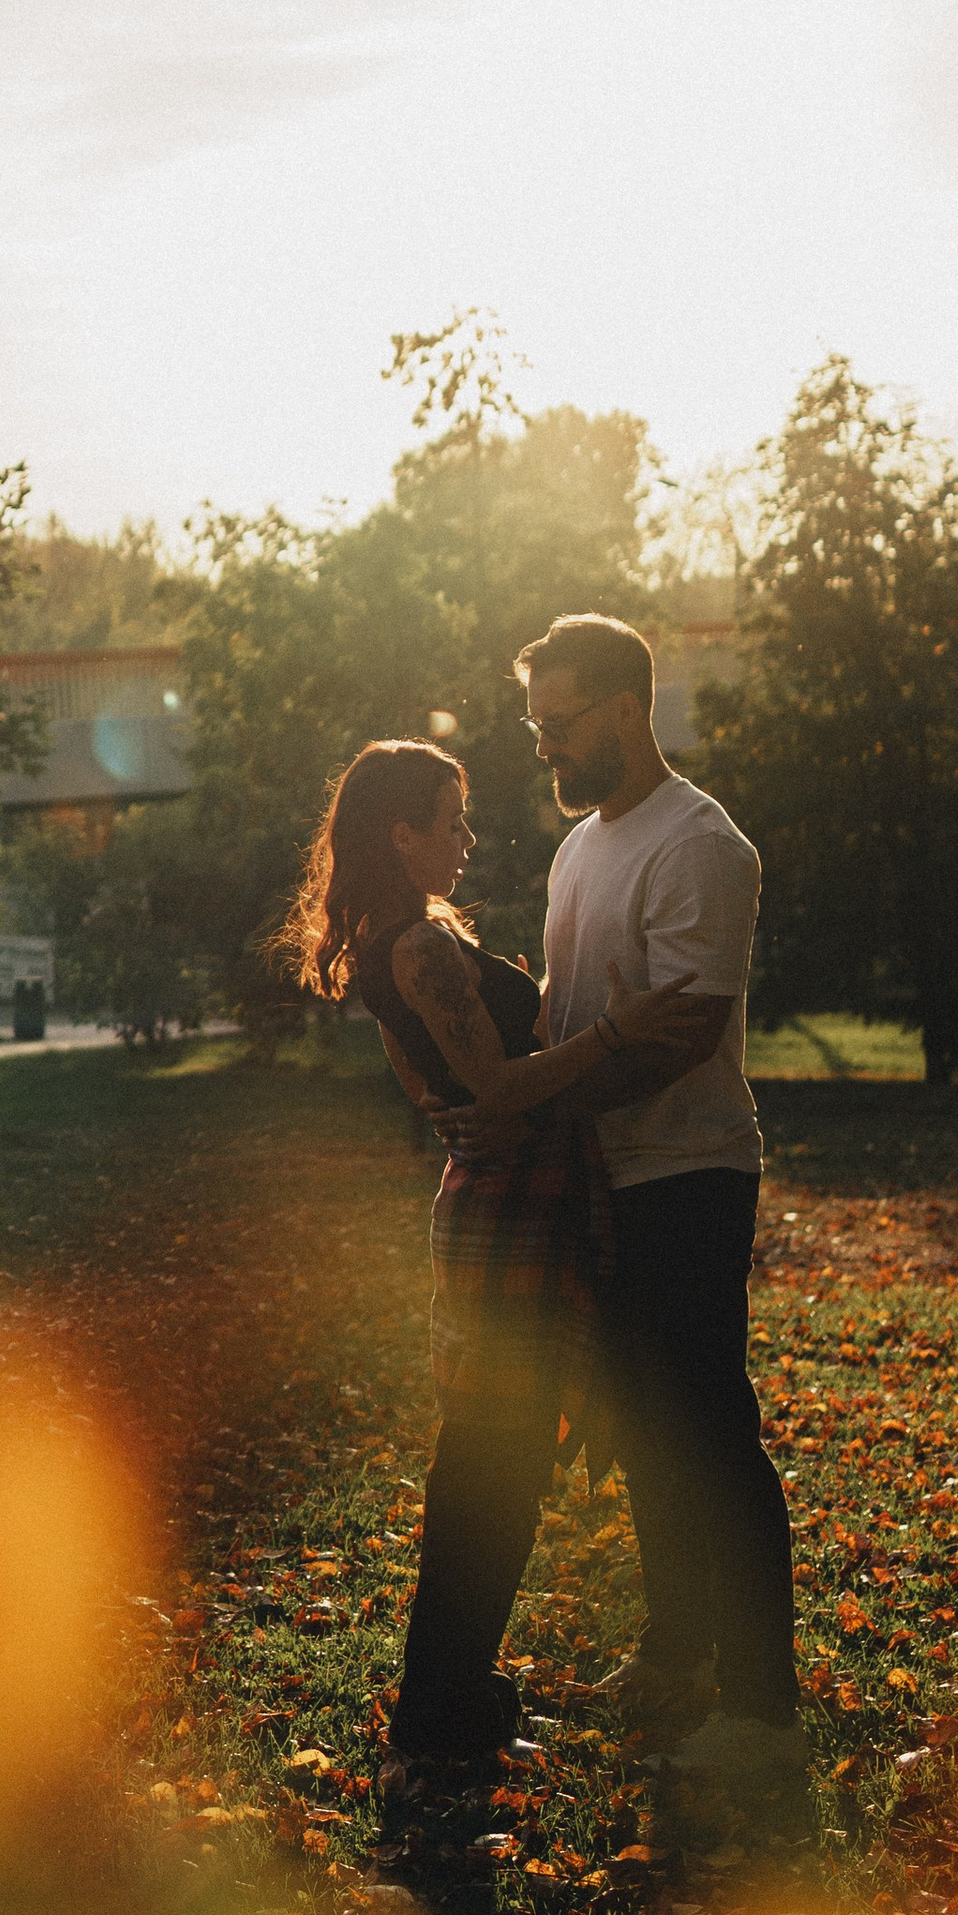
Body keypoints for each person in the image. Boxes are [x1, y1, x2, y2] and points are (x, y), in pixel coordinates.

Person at [281, 737, 729, 1773]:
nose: (468, 839)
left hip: (504, 1196)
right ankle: (440, 1708)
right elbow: (495, 1087)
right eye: (452, 821)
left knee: (494, 1460)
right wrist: (615, 1034)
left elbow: (430, 1085)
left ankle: (451, 1694)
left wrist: (461, 1107)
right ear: (402, 835)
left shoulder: (398, 938)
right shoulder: (419, 947)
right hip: (509, 1210)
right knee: (493, 1466)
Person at [447, 611, 801, 1826]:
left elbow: (681, 1033)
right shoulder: (578, 849)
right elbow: (575, 1015)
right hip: (595, 1182)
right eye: (533, 724)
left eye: (558, 722)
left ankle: (760, 1712)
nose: (544, 744)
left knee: (708, 1432)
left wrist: (534, 1103)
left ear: (624, 708)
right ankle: (676, 1650)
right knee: (645, 1428)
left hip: (687, 1174)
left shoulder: (701, 845)